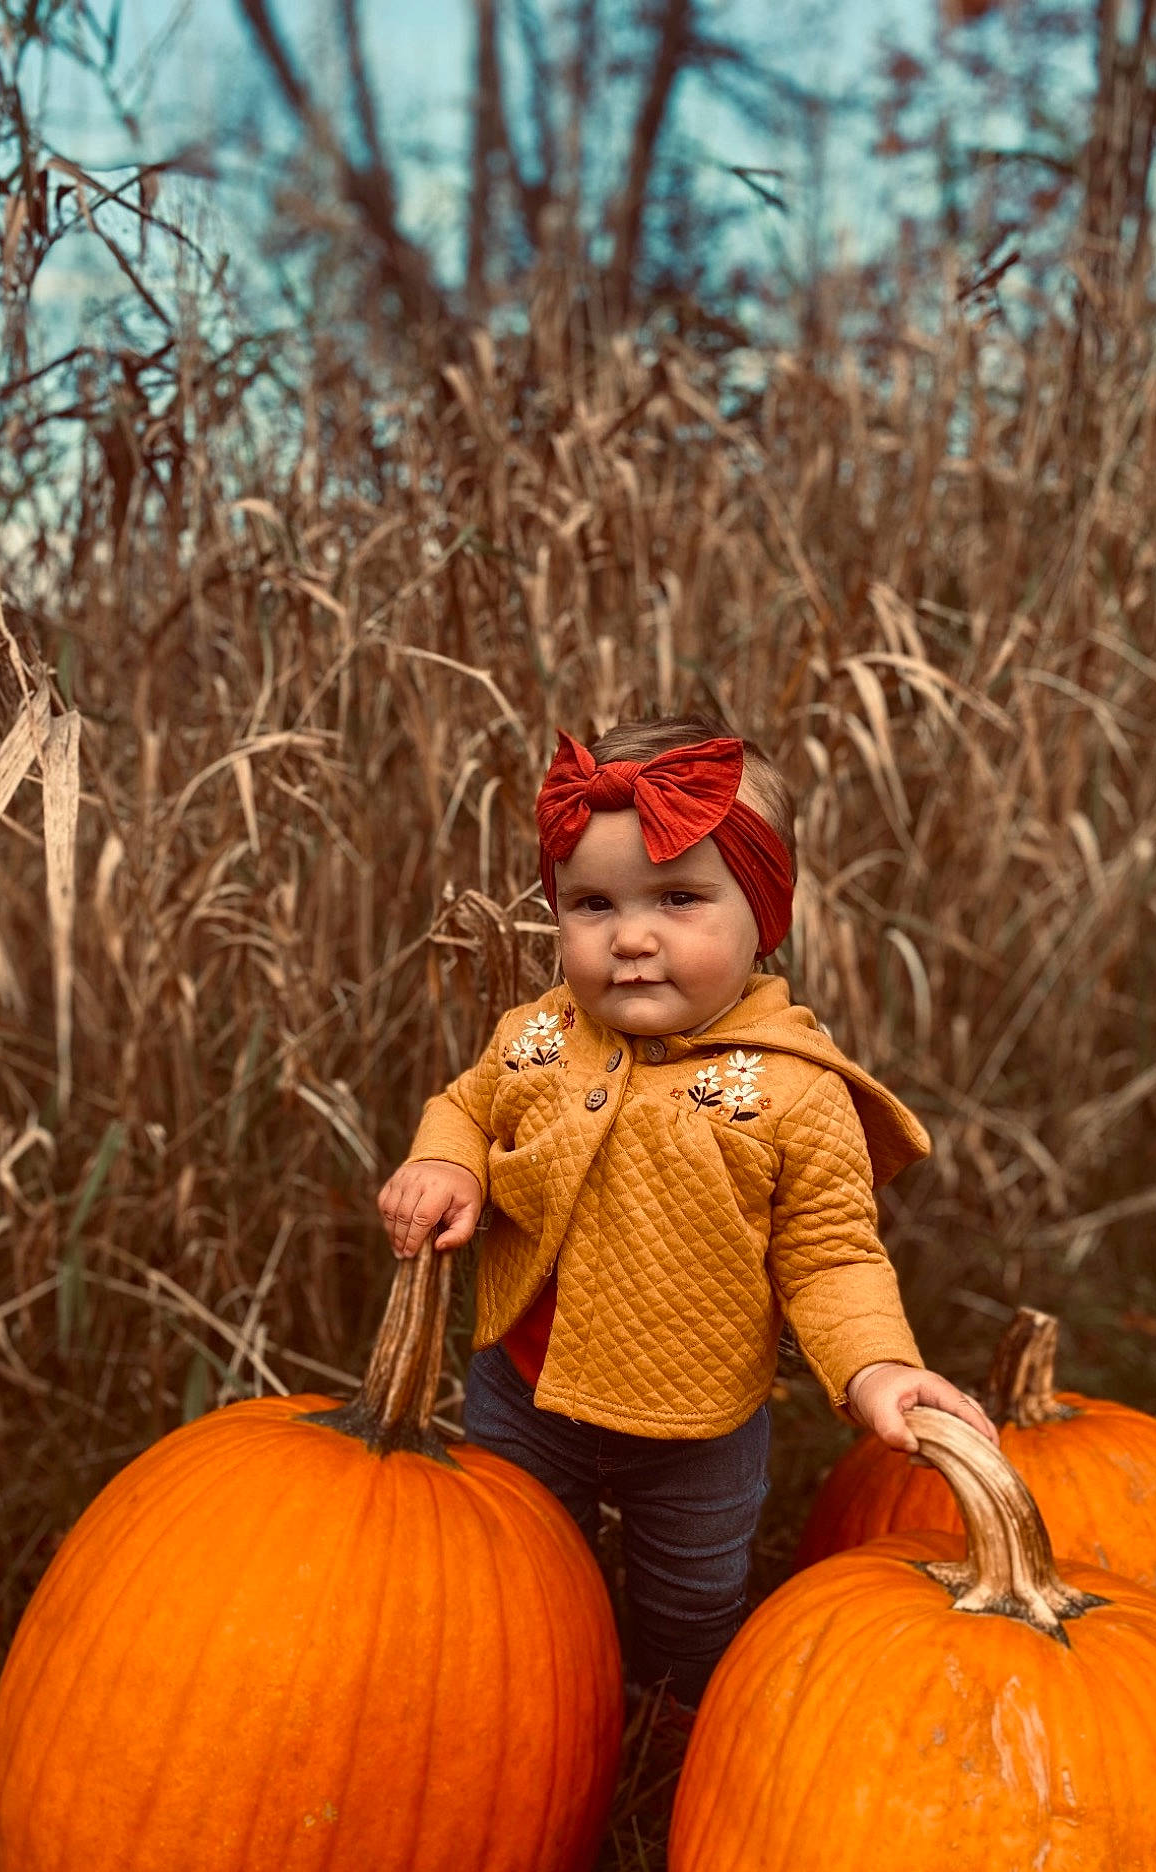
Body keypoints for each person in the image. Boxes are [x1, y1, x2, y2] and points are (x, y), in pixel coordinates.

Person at [376, 714, 998, 1705]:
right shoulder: (539, 1036)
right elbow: (467, 1104)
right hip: (524, 1391)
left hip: (697, 1426)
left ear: (763, 911)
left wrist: (877, 1366)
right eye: (591, 903)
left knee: (691, 1600)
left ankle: (676, 1726)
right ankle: (533, 1709)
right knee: (520, 1571)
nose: (630, 936)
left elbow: (831, 1255)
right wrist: (447, 1164)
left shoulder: (792, 1090)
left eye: (677, 898)